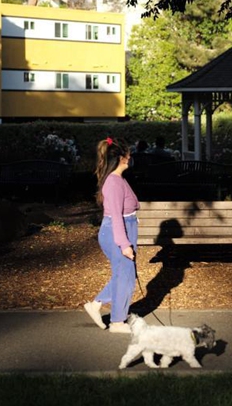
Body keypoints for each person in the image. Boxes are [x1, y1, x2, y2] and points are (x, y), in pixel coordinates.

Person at [84, 137, 139, 334]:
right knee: (125, 275)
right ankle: (117, 322)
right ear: (122, 157)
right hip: (117, 231)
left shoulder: (118, 180)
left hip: (125, 228)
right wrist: (124, 244)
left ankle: (97, 304)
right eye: (129, 153)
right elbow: (116, 216)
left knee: (125, 275)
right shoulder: (114, 183)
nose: (131, 157)